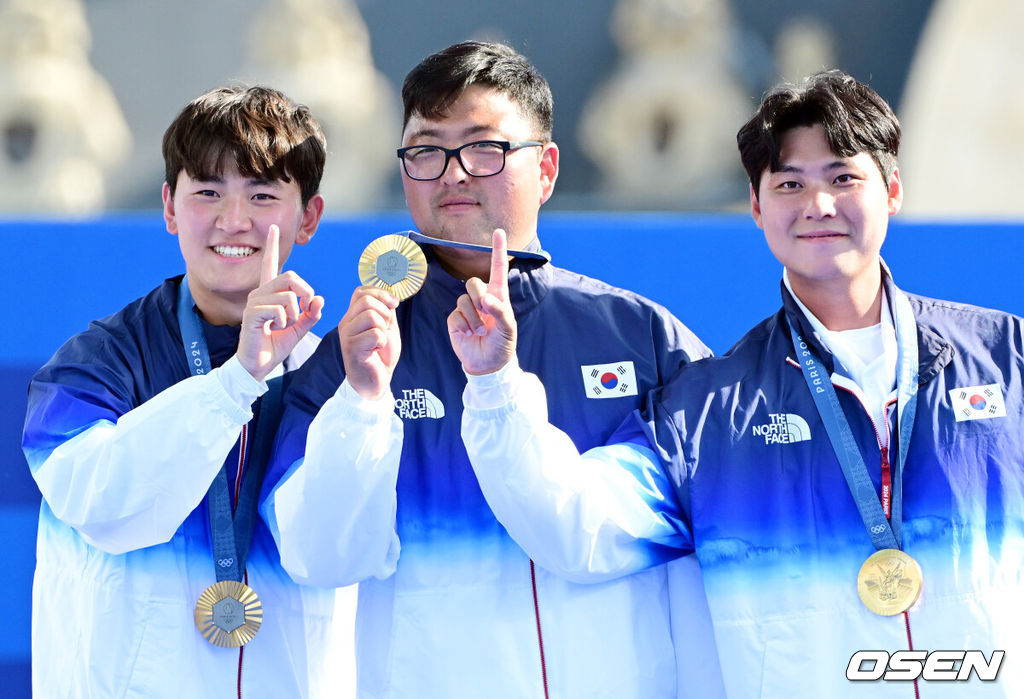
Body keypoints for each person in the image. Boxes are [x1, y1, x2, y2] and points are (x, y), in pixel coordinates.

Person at [454, 70, 1024, 696]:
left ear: (891, 190)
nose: (818, 206)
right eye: (789, 184)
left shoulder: (1005, 358)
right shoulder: (706, 411)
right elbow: (575, 530)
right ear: (756, 207)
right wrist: (494, 383)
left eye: (843, 178)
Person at [261, 41, 723, 698]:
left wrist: (497, 383)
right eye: (425, 150)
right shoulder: (353, 356)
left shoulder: (645, 339)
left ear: (548, 168)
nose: (452, 174)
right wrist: (363, 400)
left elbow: (685, 540)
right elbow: (319, 556)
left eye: (484, 148)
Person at [22, 85, 337, 698]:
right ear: (169, 207)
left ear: (309, 218)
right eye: (208, 192)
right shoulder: (94, 362)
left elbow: (339, 546)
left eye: (264, 195)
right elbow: (104, 509)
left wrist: (368, 403)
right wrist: (237, 380)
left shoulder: (336, 379)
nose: (234, 221)